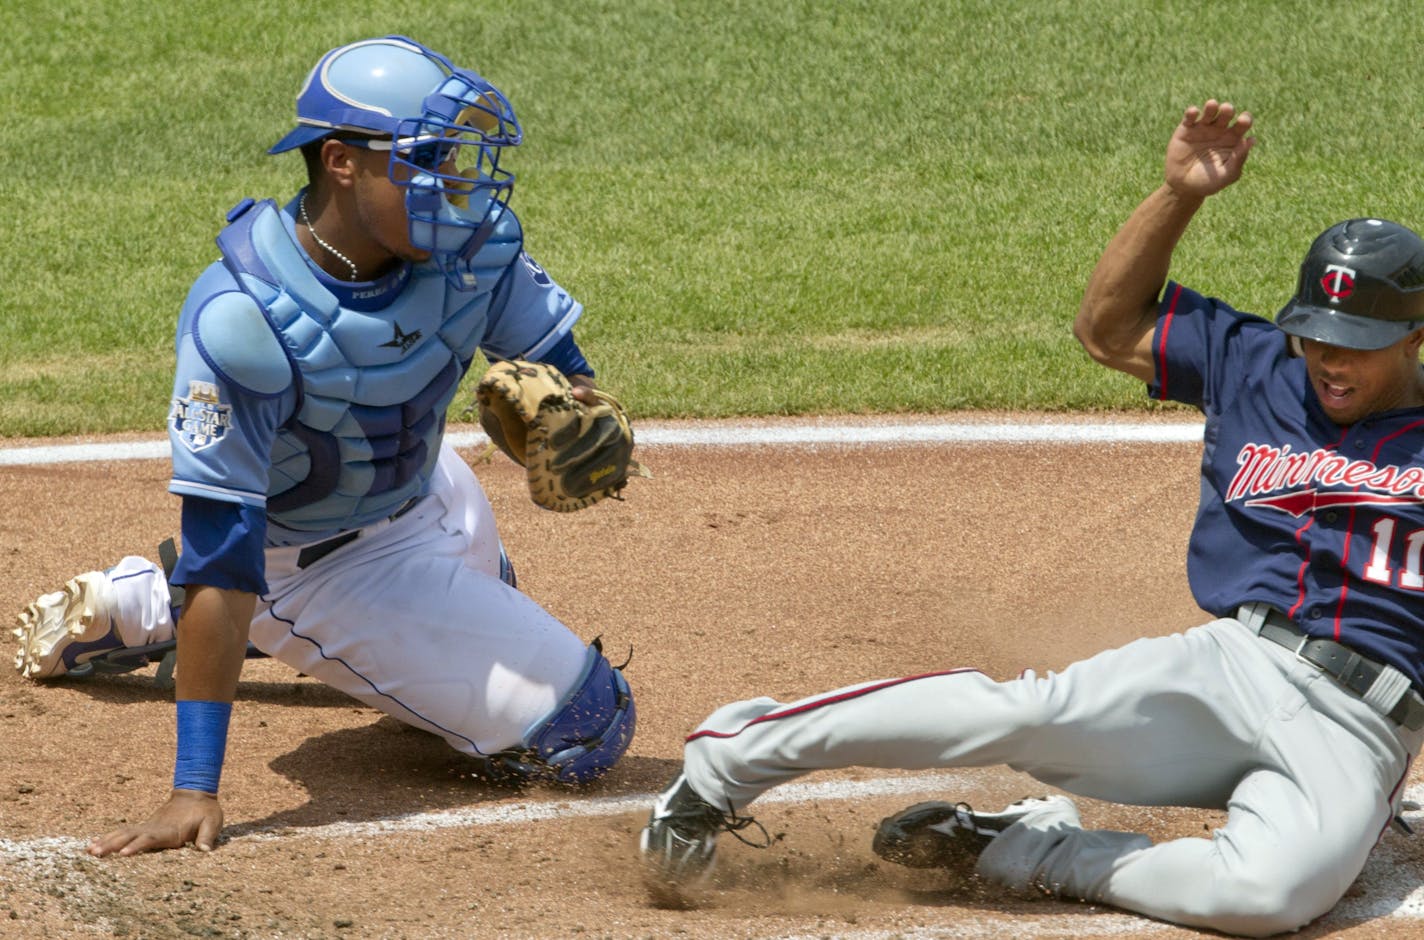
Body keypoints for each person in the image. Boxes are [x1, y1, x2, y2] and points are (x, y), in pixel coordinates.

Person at [639, 99, 1424, 937]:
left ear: (1414, 334)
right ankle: (730, 757)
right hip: (1232, 669)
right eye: (1318, 335)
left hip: (1361, 728)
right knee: (1018, 713)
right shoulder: (1254, 361)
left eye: (1359, 340)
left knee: (1265, 900)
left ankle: (1025, 847)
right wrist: (1178, 195)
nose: (1331, 359)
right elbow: (1106, 328)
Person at [12, 35, 635, 857]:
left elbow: (566, 379)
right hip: (307, 565)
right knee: (589, 728)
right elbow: (226, 544)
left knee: (492, 595)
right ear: (341, 161)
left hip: (430, 490)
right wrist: (193, 788)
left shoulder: (472, 246)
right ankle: (186, 607)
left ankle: (154, 604)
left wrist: (581, 420)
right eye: (430, 157)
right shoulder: (243, 321)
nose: (457, 181)